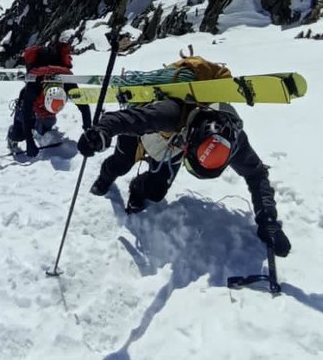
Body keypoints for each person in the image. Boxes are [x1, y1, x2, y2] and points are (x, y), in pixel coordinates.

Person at [77, 98, 291, 256]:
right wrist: (101, 132)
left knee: (156, 191)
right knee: (120, 165)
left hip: (169, 149)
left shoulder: (233, 141)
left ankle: (137, 188)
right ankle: (104, 180)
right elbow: (125, 119)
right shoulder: (170, 113)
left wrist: (268, 220)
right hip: (140, 134)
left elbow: (257, 174)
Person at [6, 39, 93, 160]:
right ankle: (12, 138)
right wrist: (29, 142)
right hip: (30, 106)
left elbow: (83, 105)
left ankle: (41, 129)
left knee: (45, 128)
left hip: (46, 111)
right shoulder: (34, 85)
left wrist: (88, 132)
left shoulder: (66, 82)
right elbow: (26, 111)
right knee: (19, 134)